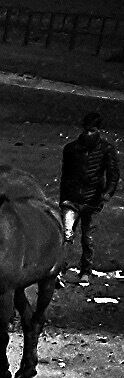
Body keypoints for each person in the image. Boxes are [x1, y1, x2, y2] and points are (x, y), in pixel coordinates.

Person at [60, 110, 119, 284]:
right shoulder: (70, 149)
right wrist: (63, 199)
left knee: (88, 238)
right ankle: (60, 271)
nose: (88, 133)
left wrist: (107, 193)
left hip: (92, 200)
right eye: (86, 130)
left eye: (92, 130)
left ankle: (85, 270)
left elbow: (113, 174)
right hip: (71, 199)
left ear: (98, 130)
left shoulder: (107, 150)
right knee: (66, 234)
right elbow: (65, 175)